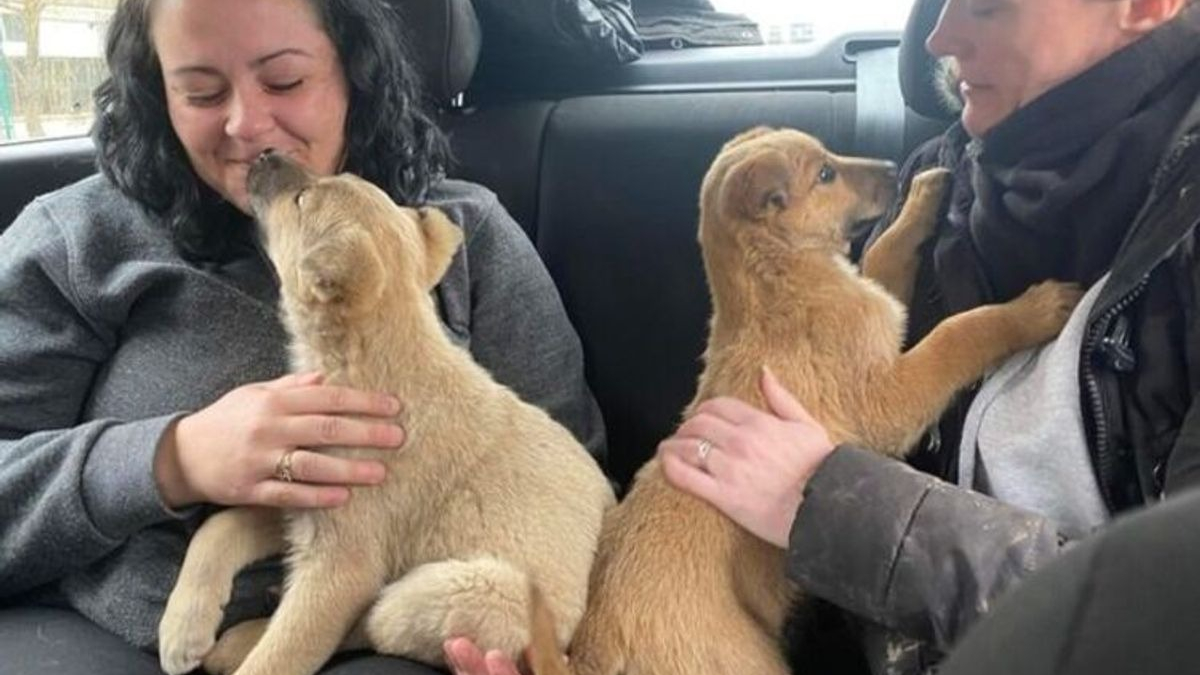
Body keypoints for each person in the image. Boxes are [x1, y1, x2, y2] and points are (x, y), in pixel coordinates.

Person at [446, 0, 1200, 673]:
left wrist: (830, 500)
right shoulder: (953, 174)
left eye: (988, 4)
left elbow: (1167, 622)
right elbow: (877, 390)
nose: (937, 35)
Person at [0, 1, 604, 674]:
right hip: (102, 641)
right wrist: (173, 457)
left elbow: (568, 489)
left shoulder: (464, 234)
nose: (246, 126)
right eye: (200, 91)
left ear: (355, 72)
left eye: (284, 81)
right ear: (155, 91)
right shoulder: (77, 243)